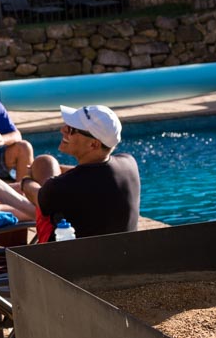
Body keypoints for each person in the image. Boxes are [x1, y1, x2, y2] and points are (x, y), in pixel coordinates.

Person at [18, 104, 141, 243]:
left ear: (93, 144)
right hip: (121, 254)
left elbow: (33, 193)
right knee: (45, 162)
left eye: (71, 129)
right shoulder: (129, 163)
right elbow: (94, 173)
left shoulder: (63, 186)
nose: (62, 129)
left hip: (66, 260)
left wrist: (26, 179)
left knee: (38, 192)